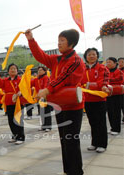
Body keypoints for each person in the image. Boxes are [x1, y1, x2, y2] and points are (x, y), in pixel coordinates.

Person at [25, 28, 85, 175]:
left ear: (71, 43)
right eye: (58, 40)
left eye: (62, 41)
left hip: (72, 105)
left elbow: (63, 78)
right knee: (64, 140)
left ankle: (76, 171)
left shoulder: (76, 61)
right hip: (60, 105)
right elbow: (41, 56)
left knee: (71, 141)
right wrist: (31, 40)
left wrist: (47, 89)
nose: (59, 43)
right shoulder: (57, 59)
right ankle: (68, 170)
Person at [81, 48, 110, 153]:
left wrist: (89, 85)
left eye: (94, 54)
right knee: (92, 122)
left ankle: (102, 144)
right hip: (88, 100)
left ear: (97, 56)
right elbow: (80, 81)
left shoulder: (102, 68)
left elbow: (103, 81)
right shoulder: (83, 68)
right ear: (86, 57)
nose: (92, 56)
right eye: (89, 55)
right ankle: (94, 142)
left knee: (100, 122)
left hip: (99, 99)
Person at [0, 63, 25, 145]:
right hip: (8, 102)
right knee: (11, 120)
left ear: (17, 70)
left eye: (14, 68)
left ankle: (21, 137)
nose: (13, 70)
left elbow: (25, 88)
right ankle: (14, 136)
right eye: (11, 68)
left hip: (18, 102)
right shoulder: (5, 80)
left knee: (18, 120)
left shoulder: (20, 80)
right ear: (8, 71)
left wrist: (20, 92)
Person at [105, 57, 123, 135]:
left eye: (110, 62)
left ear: (115, 63)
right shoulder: (105, 71)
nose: (108, 63)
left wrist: (108, 80)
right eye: (107, 62)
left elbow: (120, 80)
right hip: (108, 94)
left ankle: (116, 129)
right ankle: (112, 127)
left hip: (116, 94)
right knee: (110, 112)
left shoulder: (119, 72)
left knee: (116, 112)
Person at [31, 66, 52, 132]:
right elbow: (30, 84)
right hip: (39, 98)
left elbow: (46, 86)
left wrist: (43, 93)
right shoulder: (36, 79)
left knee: (47, 112)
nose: (39, 71)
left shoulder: (46, 78)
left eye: (41, 70)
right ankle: (43, 126)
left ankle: (48, 126)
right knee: (41, 112)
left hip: (45, 97)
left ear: (44, 71)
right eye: (38, 70)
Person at [118, 57, 124, 124]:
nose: (121, 63)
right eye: (119, 62)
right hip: (120, 90)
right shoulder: (117, 71)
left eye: (122, 62)